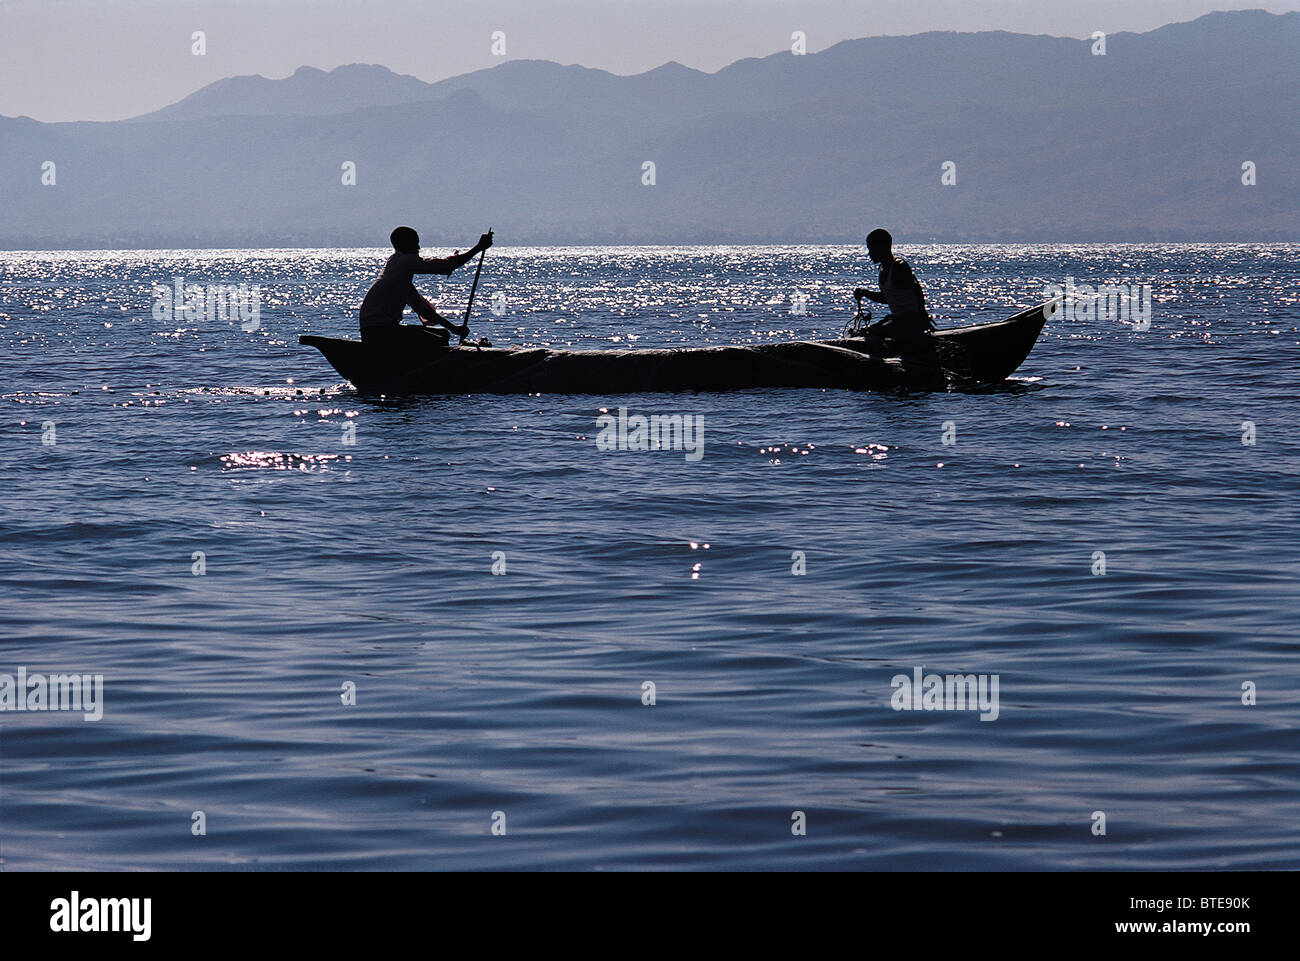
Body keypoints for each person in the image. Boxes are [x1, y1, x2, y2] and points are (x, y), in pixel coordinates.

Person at [359, 226, 493, 346]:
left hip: (382, 329)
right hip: (378, 332)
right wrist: (478, 248)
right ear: (405, 245)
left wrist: (453, 329)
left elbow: (422, 309)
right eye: (415, 243)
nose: (418, 248)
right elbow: (444, 265)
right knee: (438, 340)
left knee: (443, 334)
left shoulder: (399, 275)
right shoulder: (402, 262)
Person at [852, 228, 934, 354]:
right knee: (864, 332)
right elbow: (886, 298)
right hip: (898, 320)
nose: (869, 254)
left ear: (882, 247)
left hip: (911, 321)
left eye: (871, 249)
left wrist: (923, 318)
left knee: (871, 335)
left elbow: (917, 291)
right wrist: (864, 292)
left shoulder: (899, 266)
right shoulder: (882, 268)